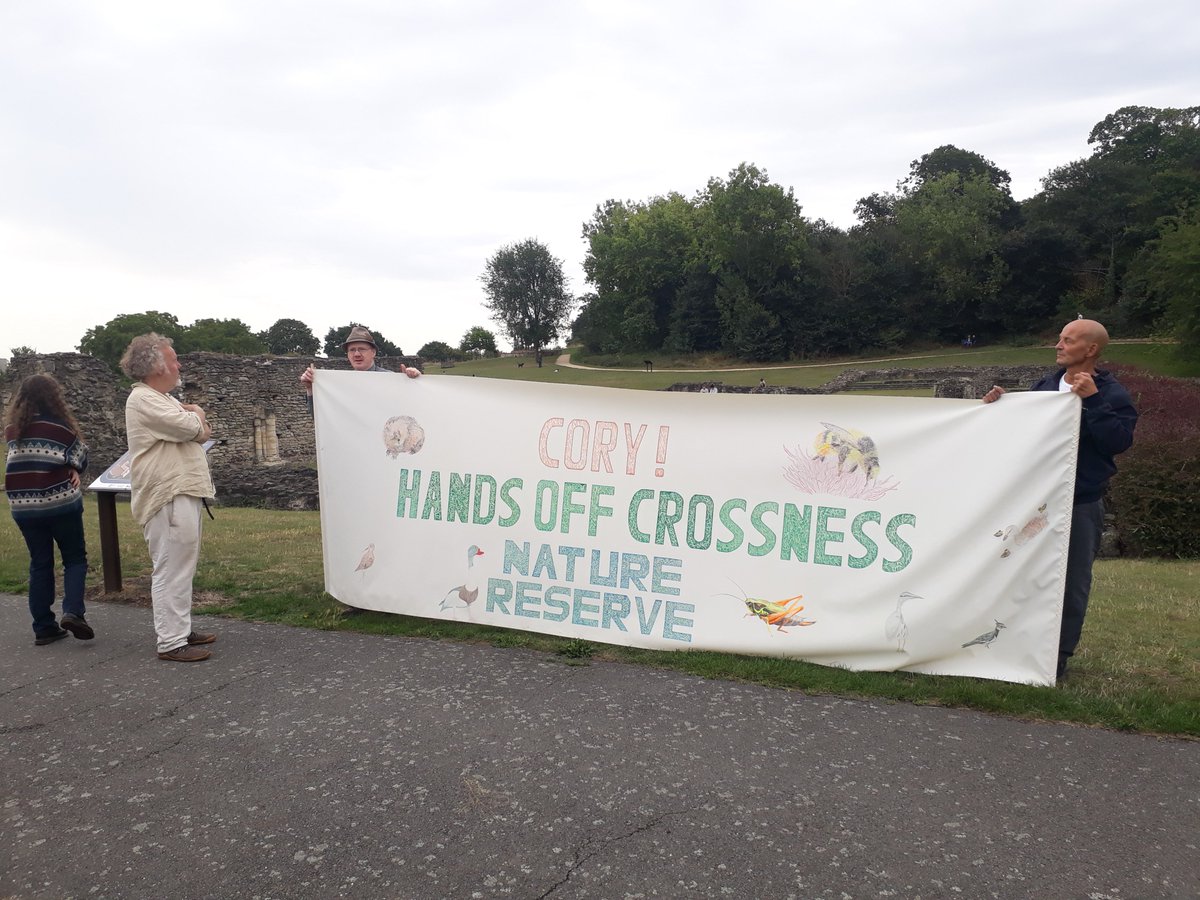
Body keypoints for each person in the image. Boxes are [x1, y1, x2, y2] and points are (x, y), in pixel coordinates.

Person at [982, 319, 1137, 680]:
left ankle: (1058, 657)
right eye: (1060, 339)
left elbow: (1118, 442)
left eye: (1068, 340)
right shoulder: (1044, 387)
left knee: (1071, 581)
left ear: (1091, 349)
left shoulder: (1112, 394)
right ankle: (1012, 645)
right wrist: (997, 406)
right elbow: (1019, 434)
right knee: (1019, 573)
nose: (1058, 345)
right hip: (1035, 502)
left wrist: (1093, 400)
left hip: (1080, 504)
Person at [121, 333, 218, 662]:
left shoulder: (161, 399)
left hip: (180, 491)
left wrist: (196, 420)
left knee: (182, 565)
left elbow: (201, 430)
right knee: (171, 566)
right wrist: (198, 413)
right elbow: (193, 428)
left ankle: (180, 629)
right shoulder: (143, 400)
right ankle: (171, 641)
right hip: (168, 493)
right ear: (157, 366)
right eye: (174, 359)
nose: (179, 366)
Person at [4, 374, 94, 645]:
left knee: (40, 563)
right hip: (60, 502)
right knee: (74, 558)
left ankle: (44, 627)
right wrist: (73, 468)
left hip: (24, 507)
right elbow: (81, 456)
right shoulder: (61, 428)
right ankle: (73, 612)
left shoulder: (13, 431)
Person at [299, 325, 420, 414]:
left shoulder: (390, 379)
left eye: (361, 349)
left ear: (373, 352)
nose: (356, 354)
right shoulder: (340, 386)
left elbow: (410, 410)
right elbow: (321, 418)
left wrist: (415, 383)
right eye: (352, 350)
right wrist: (310, 389)